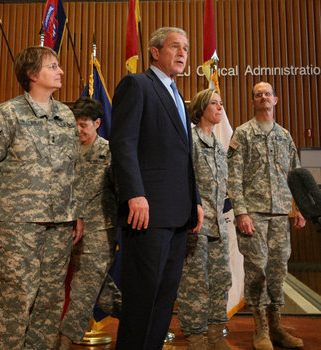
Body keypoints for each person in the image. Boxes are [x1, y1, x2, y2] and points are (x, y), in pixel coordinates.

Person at [0, 46, 84, 350]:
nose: (60, 72)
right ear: (32, 75)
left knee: (50, 298)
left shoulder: (66, 116)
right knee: (18, 296)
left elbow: (76, 171)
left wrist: (78, 214)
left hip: (59, 224)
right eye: (53, 67)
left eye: (59, 66)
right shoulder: (7, 114)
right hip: (15, 224)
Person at [109, 26, 204, 349]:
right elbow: (123, 144)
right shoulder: (137, 85)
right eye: (175, 47)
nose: (182, 54)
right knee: (142, 297)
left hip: (178, 213)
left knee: (165, 297)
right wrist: (135, 193)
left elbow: (183, 157)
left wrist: (196, 201)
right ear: (154, 51)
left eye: (186, 49)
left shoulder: (178, 94)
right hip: (146, 212)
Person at [227, 82, 306, 350]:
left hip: (280, 215)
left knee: (278, 271)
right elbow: (233, 177)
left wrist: (299, 208)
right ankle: (260, 328)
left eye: (267, 94)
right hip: (254, 215)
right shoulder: (243, 134)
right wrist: (241, 212)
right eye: (258, 94)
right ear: (253, 101)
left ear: (276, 100)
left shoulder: (284, 136)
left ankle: (277, 327)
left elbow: (296, 175)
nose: (263, 97)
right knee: (257, 271)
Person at [58, 97, 121, 348]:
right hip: (68, 231)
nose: (78, 130)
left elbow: (122, 191)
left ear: (97, 123)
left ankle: (63, 343)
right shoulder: (65, 151)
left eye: (83, 125)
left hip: (99, 232)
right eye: (75, 124)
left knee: (83, 290)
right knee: (103, 292)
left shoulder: (109, 153)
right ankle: (144, 323)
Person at [177, 89, 231, 350]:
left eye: (221, 104)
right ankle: (195, 336)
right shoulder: (190, 141)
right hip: (196, 225)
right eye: (214, 103)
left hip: (219, 226)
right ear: (201, 109)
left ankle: (214, 332)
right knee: (195, 283)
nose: (220, 108)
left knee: (221, 279)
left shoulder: (220, 147)